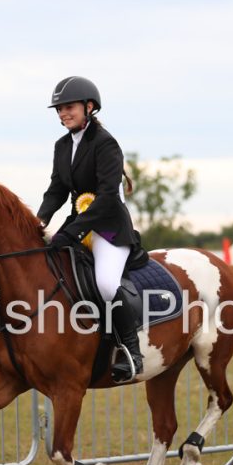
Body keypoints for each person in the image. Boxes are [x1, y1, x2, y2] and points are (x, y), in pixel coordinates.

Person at [36, 76, 147, 383]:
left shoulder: (105, 143)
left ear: (89, 107)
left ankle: (131, 351)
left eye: (69, 107)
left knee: (107, 284)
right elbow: (57, 190)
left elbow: (108, 196)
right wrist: (40, 220)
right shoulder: (62, 146)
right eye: (59, 109)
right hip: (78, 226)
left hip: (109, 230)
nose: (63, 113)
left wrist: (71, 232)